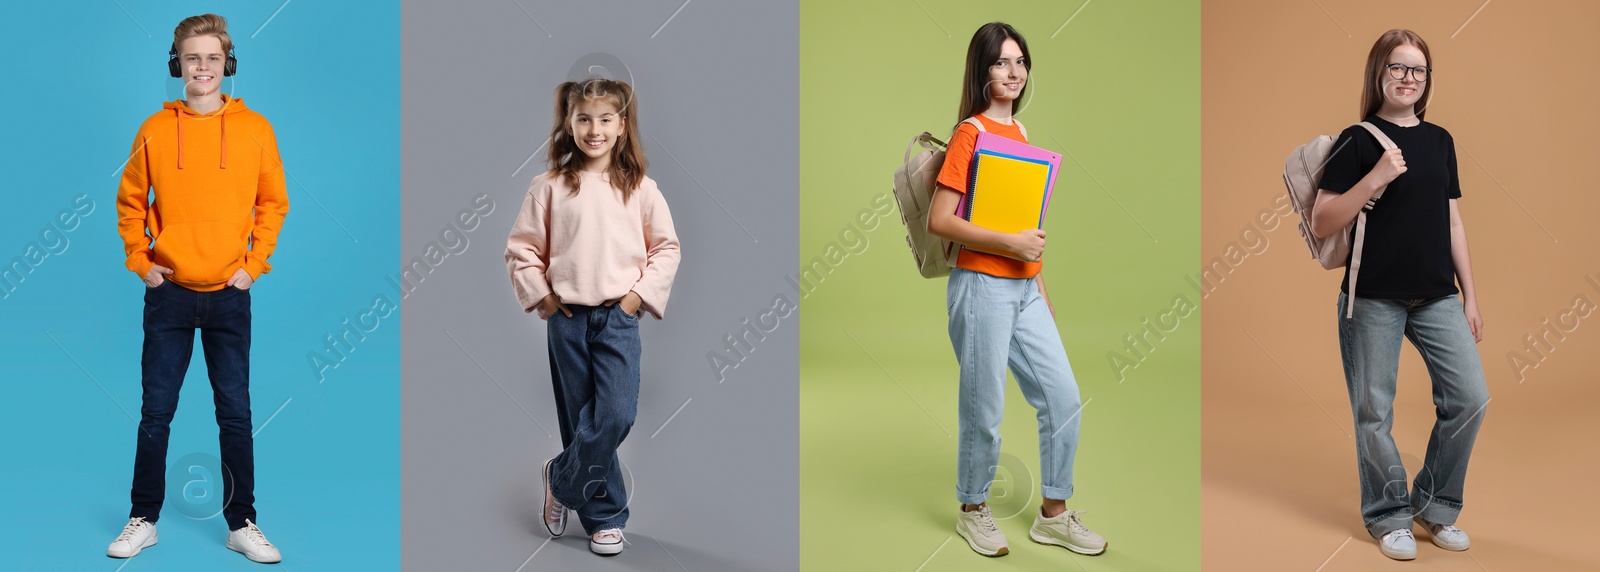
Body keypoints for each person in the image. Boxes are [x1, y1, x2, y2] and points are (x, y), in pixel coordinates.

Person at [107, 13, 288, 564]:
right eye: (192, 57)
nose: (203, 67)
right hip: (170, 293)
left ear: (227, 64)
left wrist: (254, 267)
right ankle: (144, 518)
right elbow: (131, 201)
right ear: (176, 65)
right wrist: (143, 263)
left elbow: (273, 204)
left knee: (235, 412)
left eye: (212, 57)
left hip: (231, 294)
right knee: (155, 411)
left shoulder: (256, 129)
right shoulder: (155, 130)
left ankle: (242, 523)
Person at [924, 22, 1107, 558]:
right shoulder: (969, 133)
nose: (1014, 72)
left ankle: (1054, 514)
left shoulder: (1022, 135)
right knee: (984, 407)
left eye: (1021, 61)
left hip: (1024, 288)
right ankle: (972, 510)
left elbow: (1025, 220)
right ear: (983, 70)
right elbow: (940, 219)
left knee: (1063, 398)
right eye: (1003, 62)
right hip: (981, 286)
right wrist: (1011, 245)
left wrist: (1038, 280)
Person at [1311, 28, 1488, 562]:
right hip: (1373, 298)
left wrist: (1470, 297)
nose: (1408, 78)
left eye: (1418, 70)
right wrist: (1376, 177)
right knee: (1373, 412)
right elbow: (1323, 220)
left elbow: (1452, 221)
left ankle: (1434, 506)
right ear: (1379, 74)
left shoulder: (1440, 141)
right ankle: (1389, 517)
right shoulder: (1357, 140)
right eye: (1397, 67)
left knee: (1469, 399)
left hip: (1437, 296)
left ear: (1427, 79)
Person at [506, 77, 681, 556]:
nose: (594, 129)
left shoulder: (641, 188)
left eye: (605, 119)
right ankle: (604, 517)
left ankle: (560, 479)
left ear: (622, 126)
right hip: (567, 319)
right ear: (569, 121)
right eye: (584, 118)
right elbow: (521, 249)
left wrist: (635, 299)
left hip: (618, 318)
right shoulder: (549, 186)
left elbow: (665, 248)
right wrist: (542, 297)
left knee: (614, 415)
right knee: (578, 414)